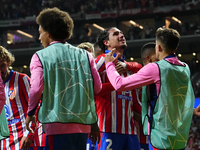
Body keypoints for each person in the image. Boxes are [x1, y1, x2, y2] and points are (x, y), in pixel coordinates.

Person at [105, 27, 195, 149]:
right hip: (180, 137)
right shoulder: (185, 68)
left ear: (158, 47)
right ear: (176, 47)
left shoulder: (155, 68)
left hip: (161, 137)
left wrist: (109, 64)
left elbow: (119, 84)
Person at [25, 7, 102, 150]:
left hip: (57, 126)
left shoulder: (39, 56)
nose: (39, 37)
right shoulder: (85, 55)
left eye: (40, 33)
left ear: (48, 34)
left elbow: (36, 89)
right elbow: (97, 88)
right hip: (83, 126)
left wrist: (30, 113)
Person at [94, 27, 143, 150]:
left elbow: (134, 95)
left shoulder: (127, 67)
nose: (121, 35)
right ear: (106, 43)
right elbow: (88, 82)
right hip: (108, 129)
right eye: (116, 34)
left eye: (122, 33)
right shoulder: (101, 60)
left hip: (130, 130)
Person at [0, 46, 45, 150]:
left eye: (2, 66)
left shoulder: (21, 79)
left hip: (23, 139)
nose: (0, 71)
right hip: (4, 141)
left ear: (8, 62)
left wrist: (29, 134)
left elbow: (36, 107)